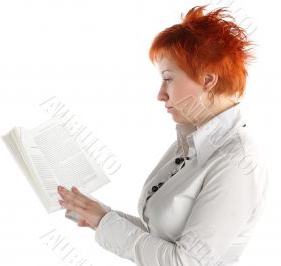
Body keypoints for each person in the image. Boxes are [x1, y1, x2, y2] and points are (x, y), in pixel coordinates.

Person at [57, 5, 269, 266]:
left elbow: (184, 262)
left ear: (208, 80)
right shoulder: (189, 142)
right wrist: (100, 215)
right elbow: (161, 238)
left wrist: (105, 222)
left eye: (168, 78)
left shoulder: (238, 162)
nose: (160, 94)